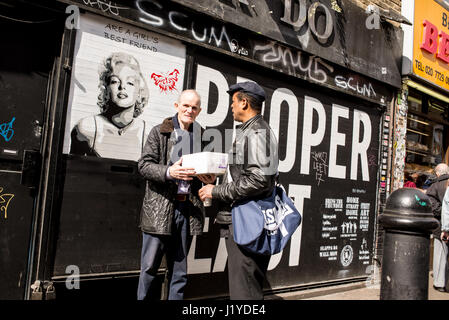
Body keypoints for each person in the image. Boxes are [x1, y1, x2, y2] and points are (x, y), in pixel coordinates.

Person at [199, 81, 279, 300]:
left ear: (244, 102)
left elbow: (258, 180)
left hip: (246, 222)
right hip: (243, 219)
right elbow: (247, 175)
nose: (231, 107)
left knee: (244, 292)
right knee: (245, 288)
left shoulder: (257, 132)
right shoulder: (252, 130)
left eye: (233, 102)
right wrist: (217, 178)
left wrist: (215, 192)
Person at [137, 89, 214, 300]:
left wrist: (209, 179)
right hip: (159, 210)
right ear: (176, 106)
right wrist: (169, 172)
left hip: (186, 210)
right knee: (149, 270)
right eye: (186, 105)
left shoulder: (203, 137)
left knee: (179, 272)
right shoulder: (159, 132)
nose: (189, 110)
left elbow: (206, 172)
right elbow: (144, 166)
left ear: (199, 111)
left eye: (194, 107)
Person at [70, 52, 149, 161]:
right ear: (105, 88)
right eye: (115, 81)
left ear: (139, 92)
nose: (122, 87)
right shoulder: (87, 127)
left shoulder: (148, 134)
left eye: (130, 83)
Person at [426, 163, 449, 292]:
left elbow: (432, 205)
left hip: (441, 225)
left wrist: (442, 213)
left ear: (438, 173)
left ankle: (440, 282)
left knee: (440, 254)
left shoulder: (435, 185)